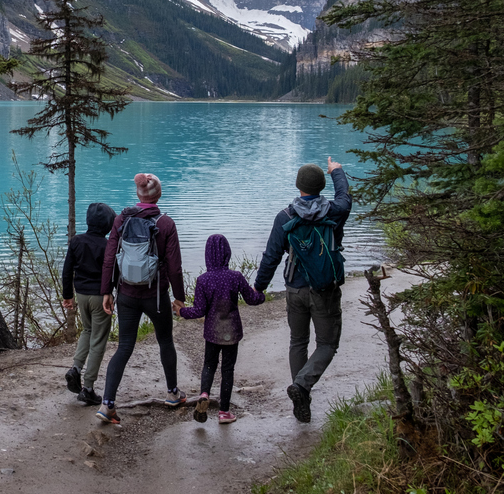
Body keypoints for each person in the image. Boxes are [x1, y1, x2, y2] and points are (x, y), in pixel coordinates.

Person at [254, 156, 352, 424]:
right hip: (325, 291)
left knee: (298, 342)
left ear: (298, 186)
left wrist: (259, 288)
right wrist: (337, 172)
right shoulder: (335, 211)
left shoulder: (285, 216)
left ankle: (302, 399)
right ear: (321, 187)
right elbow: (345, 195)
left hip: (294, 289)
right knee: (328, 344)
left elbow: (271, 257)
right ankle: (302, 387)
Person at [95, 173, 186, 426]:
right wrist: (179, 298)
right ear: (158, 195)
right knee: (165, 341)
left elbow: (110, 256)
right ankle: (172, 393)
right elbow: (174, 266)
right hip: (156, 295)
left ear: (138, 195)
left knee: (124, 347)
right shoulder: (166, 223)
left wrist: (107, 291)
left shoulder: (122, 219)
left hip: (126, 294)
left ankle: (107, 404)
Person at [174, 234, 265, 424]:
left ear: (207, 255)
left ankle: (204, 394)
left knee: (209, 365)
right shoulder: (236, 277)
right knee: (228, 369)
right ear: (227, 254)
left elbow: (199, 310)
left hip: (212, 332)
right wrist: (261, 294)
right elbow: (251, 299)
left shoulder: (203, 280)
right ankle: (224, 412)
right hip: (232, 331)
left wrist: (182, 312)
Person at [61, 202, 117, 406]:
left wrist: (68, 295)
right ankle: (88, 388)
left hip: (82, 295)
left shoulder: (76, 241)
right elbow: (113, 273)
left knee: (86, 331)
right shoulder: (108, 245)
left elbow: (67, 271)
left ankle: (75, 368)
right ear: (109, 225)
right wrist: (110, 292)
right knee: (99, 340)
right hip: (100, 297)